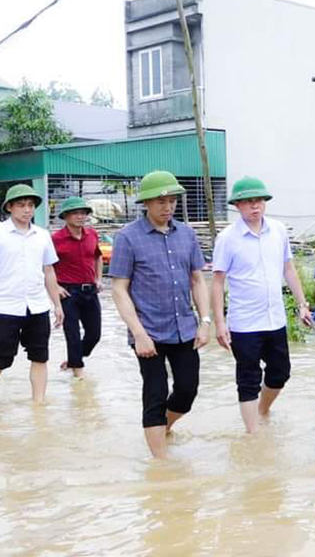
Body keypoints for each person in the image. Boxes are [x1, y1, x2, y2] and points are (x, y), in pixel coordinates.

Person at [109, 170, 210, 458]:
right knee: (154, 392)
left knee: (187, 391)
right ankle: (161, 464)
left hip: (184, 328)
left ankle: (163, 428)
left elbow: (197, 280)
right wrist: (139, 334)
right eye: (161, 201)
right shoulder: (127, 238)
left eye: (172, 201)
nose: (167, 207)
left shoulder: (187, 234)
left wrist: (205, 322)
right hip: (148, 331)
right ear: (147, 204)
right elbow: (119, 289)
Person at [210, 176, 312, 433]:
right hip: (244, 322)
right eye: (248, 202)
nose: (255, 206)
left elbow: (288, 268)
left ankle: (263, 410)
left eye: (259, 201)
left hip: (274, 318)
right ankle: (252, 434)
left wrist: (302, 304)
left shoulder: (277, 230)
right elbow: (218, 280)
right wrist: (219, 323)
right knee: (248, 378)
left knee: (281, 373)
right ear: (238, 206)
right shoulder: (227, 238)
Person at [0, 184, 64, 402]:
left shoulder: (42, 235)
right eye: (21, 205)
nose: (27, 210)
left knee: (40, 356)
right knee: (2, 359)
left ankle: (38, 403)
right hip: (6, 306)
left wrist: (57, 304)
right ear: (10, 207)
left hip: (37, 305)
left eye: (31, 205)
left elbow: (49, 270)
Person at [52, 197, 103, 379]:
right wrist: (55, 287)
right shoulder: (55, 239)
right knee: (72, 333)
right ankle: (79, 378)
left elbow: (97, 256)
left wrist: (98, 278)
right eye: (75, 213)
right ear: (65, 216)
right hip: (67, 292)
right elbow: (44, 266)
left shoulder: (92, 234)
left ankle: (75, 359)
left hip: (90, 290)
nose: (80, 217)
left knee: (94, 334)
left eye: (83, 213)